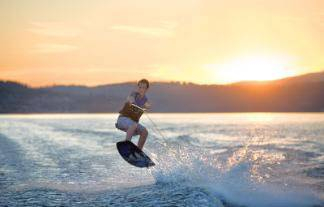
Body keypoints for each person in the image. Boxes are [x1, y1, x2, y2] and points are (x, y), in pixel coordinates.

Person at [115, 79, 151, 150]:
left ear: (146, 89)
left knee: (145, 132)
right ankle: (127, 144)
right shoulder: (134, 94)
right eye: (140, 87)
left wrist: (146, 107)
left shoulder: (145, 100)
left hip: (132, 124)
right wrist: (132, 102)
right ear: (138, 87)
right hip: (122, 120)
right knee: (133, 125)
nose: (141, 89)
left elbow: (148, 105)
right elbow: (130, 98)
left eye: (143, 88)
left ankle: (138, 151)